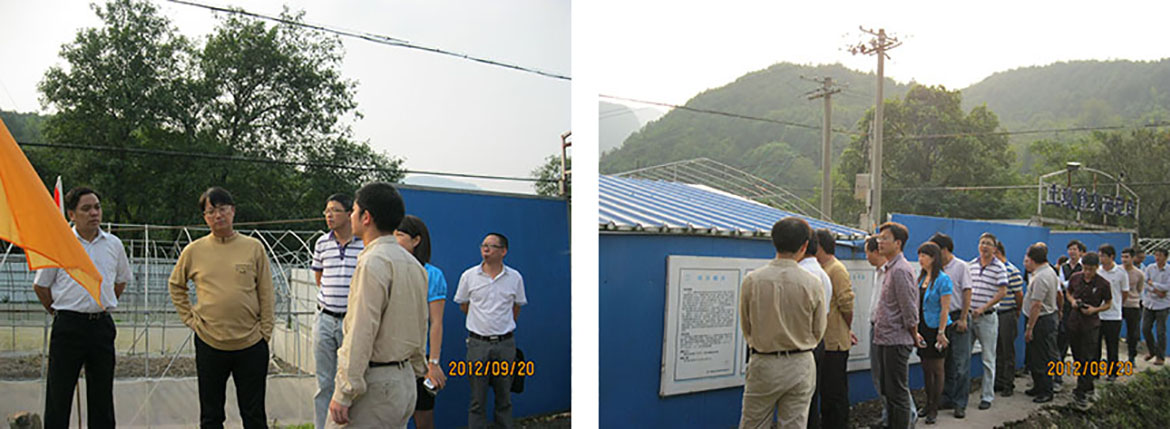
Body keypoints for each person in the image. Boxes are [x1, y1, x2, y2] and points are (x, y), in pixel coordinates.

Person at [168, 187, 275, 428]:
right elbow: (176, 285)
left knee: (254, 415)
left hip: (251, 343)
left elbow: (266, 292)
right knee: (211, 415)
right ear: (205, 217)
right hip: (210, 342)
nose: (218, 215)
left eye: (223, 209)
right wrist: (190, 319)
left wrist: (265, 332)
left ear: (233, 211)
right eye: (211, 211)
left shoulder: (253, 247)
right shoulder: (194, 251)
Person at [328, 182, 428, 428]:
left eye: (354, 210)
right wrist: (418, 368)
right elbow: (421, 324)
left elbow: (361, 331)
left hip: (375, 385)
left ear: (366, 217)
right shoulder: (414, 265)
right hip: (404, 381)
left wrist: (344, 391)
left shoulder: (373, 262)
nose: (351, 216)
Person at [33, 187, 131, 429]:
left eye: (97, 207)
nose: (94, 213)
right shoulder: (59, 244)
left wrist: (101, 303)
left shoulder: (114, 244)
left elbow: (120, 282)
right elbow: (41, 286)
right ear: (72, 214)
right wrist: (59, 312)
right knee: (59, 393)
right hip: (68, 327)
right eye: (86, 209)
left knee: (102, 395)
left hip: (101, 326)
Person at [738, 217, 826, 429]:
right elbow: (818, 330)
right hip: (800, 362)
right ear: (804, 246)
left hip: (764, 361)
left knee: (754, 423)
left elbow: (746, 326)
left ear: (774, 242)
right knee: (795, 423)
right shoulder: (813, 283)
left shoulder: (752, 280)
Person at [454, 232, 528, 429]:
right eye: (483, 245)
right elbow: (464, 305)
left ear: (503, 251)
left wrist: (502, 326)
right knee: (477, 399)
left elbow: (516, 307)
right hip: (478, 344)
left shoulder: (514, 278)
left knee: (504, 397)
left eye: (492, 246)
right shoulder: (469, 276)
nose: (486, 249)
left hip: (505, 345)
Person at [311, 193, 365, 429]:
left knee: (351, 380)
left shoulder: (364, 245)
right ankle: (321, 425)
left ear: (349, 214)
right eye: (327, 211)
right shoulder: (322, 243)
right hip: (324, 318)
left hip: (351, 322)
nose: (329, 215)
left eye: (334, 210)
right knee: (324, 381)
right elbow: (319, 277)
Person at [395, 215, 449, 429]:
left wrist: (433, 363)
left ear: (416, 240)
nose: (394, 240)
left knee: (423, 415)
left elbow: (436, 323)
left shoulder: (432, 275)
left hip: (419, 358)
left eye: (399, 235)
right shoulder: (387, 269)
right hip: (391, 357)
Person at [873, 222, 918, 429]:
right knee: (889, 392)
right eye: (879, 238)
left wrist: (914, 334)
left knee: (898, 394)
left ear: (898, 243)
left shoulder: (900, 270)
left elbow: (909, 309)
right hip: (885, 338)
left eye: (885, 238)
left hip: (896, 340)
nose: (880, 242)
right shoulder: (890, 268)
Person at [813, 229, 855, 429]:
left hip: (835, 342)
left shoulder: (836, 269)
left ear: (820, 246)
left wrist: (846, 328)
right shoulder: (823, 268)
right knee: (825, 391)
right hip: (824, 341)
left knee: (834, 392)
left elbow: (847, 304)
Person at [929, 233, 973, 419]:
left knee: (961, 363)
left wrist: (963, 318)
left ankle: (960, 403)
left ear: (944, 249)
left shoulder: (961, 266)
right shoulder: (935, 268)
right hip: (941, 319)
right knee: (944, 362)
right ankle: (946, 397)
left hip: (957, 317)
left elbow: (967, 292)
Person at [965, 233, 1008, 411]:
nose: (984, 246)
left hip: (987, 318)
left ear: (994, 248)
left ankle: (987, 396)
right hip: (969, 317)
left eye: (988, 244)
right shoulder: (971, 265)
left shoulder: (999, 267)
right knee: (963, 357)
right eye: (982, 243)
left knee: (988, 359)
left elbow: (1002, 292)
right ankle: (962, 394)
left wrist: (983, 307)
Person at [1065, 252, 1111, 407]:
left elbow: (1108, 303)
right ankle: (1087, 385)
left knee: (1087, 357)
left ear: (1097, 268)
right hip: (1074, 322)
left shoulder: (1103, 284)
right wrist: (1072, 301)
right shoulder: (1075, 278)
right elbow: (1068, 292)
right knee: (1077, 356)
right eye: (1085, 268)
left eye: (1090, 269)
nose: (1087, 272)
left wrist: (1095, 310)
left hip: (1091, 324)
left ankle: (1082, 391)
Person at [914, 242, 952, 425]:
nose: (920, 259)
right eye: (919, 255)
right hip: (922, 327)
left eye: (924, 255)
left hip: (937, 328)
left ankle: (934, 407)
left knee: (937, 368)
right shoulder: (921, 277)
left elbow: (945, 308)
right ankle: (927, 403)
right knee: (925, 367)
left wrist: (941, 332)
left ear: (934, 258)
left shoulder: (943, 279)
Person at [798, 232, 831, 429]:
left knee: (800, 403)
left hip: (801, 344)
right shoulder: (822, 274)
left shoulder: (803, 274)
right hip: (816, 340)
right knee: (811, 397)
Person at [1021, 243, 1059, 404]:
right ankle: (1038, 386)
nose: (1025, 262)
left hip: (1040, 320)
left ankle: (1046, 390)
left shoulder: (1041, 277)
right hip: (1042, 318)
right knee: (1035, 357)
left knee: (1041, 357)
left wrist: (1030, 328)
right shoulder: (1047, 271)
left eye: (1026, 259)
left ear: (1032, 259)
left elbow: (1036, 305)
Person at [993, 242, 1025, 396]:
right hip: (994, 313)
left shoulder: (1012, 271)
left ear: (997, 252)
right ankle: (998, 381)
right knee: (997, 349)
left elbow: (1019, 295)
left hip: (1007, 313)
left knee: (1007, 350)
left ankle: (1008, 383)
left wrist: (1017, 310)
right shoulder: (993, 270)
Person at [1094, 244, 1129, 382]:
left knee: (1112, 345)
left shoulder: (1121, 273)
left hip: (1113, 315)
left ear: (1111, 257)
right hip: (1098, 313)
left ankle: (1113, 372)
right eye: (1099, 256)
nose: (1101, 259)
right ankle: (1095, 372)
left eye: (1103, 256)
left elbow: (1124, 293)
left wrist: (1117, 304)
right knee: (1095, 345)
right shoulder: (1098, 271)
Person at [1055, 240, 1086, 391]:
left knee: (1080, 347)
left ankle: (1083, 380)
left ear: (1080, 252)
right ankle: (1057, 377)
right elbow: (1062, 284)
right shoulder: (1064, 267)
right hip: (1066, 308)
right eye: (1070, 249)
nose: (1072, 252)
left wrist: (1069, 284)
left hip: (1081, 310)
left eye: (1075, 249)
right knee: (1061, 344)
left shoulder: (1084, 266)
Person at [1143, 248, 1170, 365]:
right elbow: (1144, 283)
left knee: (1160, 332)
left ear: (1166, 257)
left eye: (1160, 255)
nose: (1157, 258)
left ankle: (1160, 356)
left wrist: (1153, 284)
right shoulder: (1150, 268)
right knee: (1145, 328)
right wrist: (1155, 290)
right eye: (1156, 255)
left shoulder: (1168, 270)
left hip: (1163, 304)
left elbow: (1167, 286)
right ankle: (1152, 350)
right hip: (1149, 302)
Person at [1121, 247, 1146, 364]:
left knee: (1133, 333)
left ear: (1132, 258)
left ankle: (1132, 357)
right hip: (1119, 305)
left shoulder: (1139, 274)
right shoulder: (1118, 271)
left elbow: (1139, 289)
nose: (1124, 259)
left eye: (1127, 257)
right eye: (1122, 257)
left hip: (1133, 304)